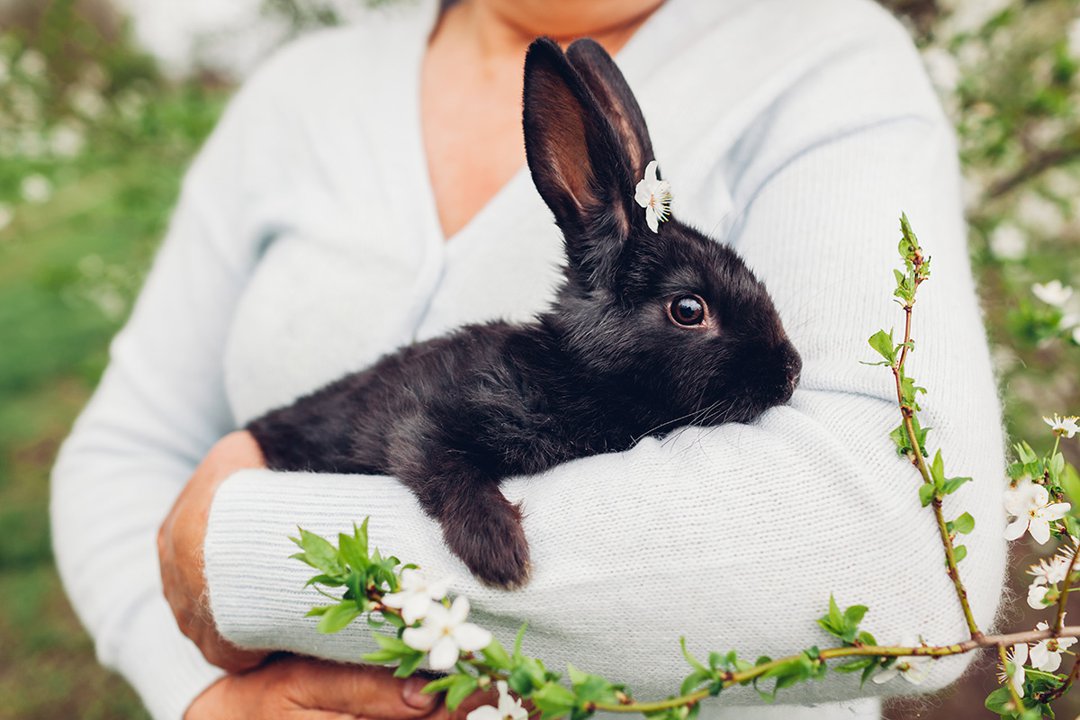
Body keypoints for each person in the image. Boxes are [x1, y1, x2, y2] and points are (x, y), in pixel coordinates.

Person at [51, 0, 1009, 718]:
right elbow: (124, 451)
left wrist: (248, 554)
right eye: (690, 313)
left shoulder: (824, 54)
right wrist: (199, 693)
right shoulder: (298, 94)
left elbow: (903, 544)